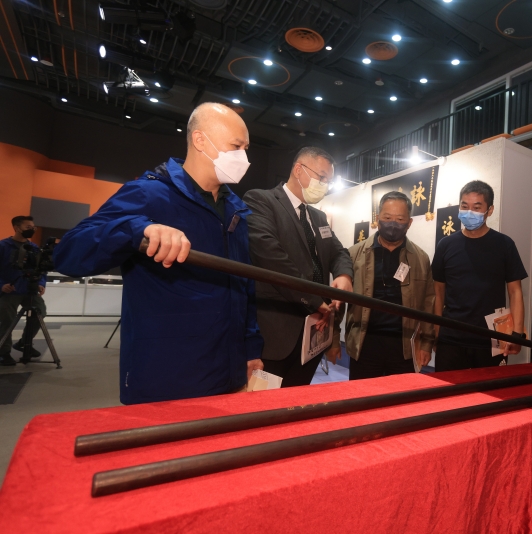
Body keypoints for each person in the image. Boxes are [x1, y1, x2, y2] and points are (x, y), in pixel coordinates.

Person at [54, 103, 264, 404]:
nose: (243, 157)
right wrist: (138, 229)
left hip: (228, 370)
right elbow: (69, 252)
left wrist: (250, 349)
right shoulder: (148, 194)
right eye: (236, 146)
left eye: (246, 148)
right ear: (200, 140)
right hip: (167, 373)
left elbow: (244, 286)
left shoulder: (236, 210)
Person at [244, 147, 353, 387]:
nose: (325, 185)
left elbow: (339, 252)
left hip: (313, 334)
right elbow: (271, 257)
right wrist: (314, 300)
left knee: (298, 399)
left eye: (328, 181)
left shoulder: (319, 217)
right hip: (275, 333)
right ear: (298, 170)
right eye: (321, 177)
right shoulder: (261, 201)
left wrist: (344, 274)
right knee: (265, 405)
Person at [327, 191, 435, 380]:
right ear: (377, 218)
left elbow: (428, 303)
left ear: (409, 222)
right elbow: (338, 302)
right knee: (364, 395)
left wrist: (426, 344)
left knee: (401, 397)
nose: (393, 224)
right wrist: (333, 340)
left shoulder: (420, 258)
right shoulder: (354, 254)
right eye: (387, 217)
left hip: (404, 346)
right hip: (364, 343)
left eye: (400, 219)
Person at [431, 180, 528, 371]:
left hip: (492, 339)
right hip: (451, 339)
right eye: (464, 206)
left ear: (489, 210)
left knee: (490, 389)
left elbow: (515, 291)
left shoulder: (504, 244)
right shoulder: (445, 245)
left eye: (476, 208)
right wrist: (436, 331)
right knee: (448, 389)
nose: (469, 212)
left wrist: (517, 334)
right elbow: (438, 293)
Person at [0, 216, 47, 366]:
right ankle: (3, 352)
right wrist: (1, 285)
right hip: (9, 291)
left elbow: (41, 269)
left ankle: (24, 342)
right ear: (17, 228)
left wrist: (41, 283)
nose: (32, 230)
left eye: (33, 227)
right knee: (6, 320)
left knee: (40, 312)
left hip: (29, 289)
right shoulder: (3, 246)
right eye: (28, 227)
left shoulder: (34, 248)